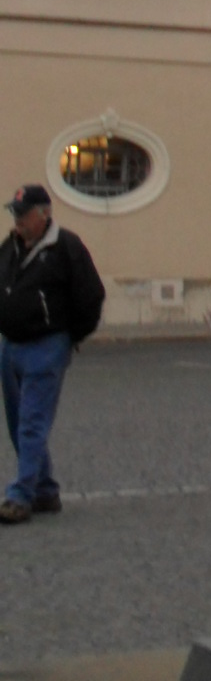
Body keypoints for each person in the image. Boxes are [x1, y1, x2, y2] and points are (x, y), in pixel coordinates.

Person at [0, 182, 105, 524]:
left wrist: (69, 336)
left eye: (23, 214)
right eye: (15, 213)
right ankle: (45, 490)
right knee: (18, 423)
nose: (17, 220)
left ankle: (20, 496)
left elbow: (91, 295)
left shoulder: (66, 247)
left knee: (32, 422)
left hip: (46, 345)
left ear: (44, 214)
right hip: (11, 345)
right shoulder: (10, 246)